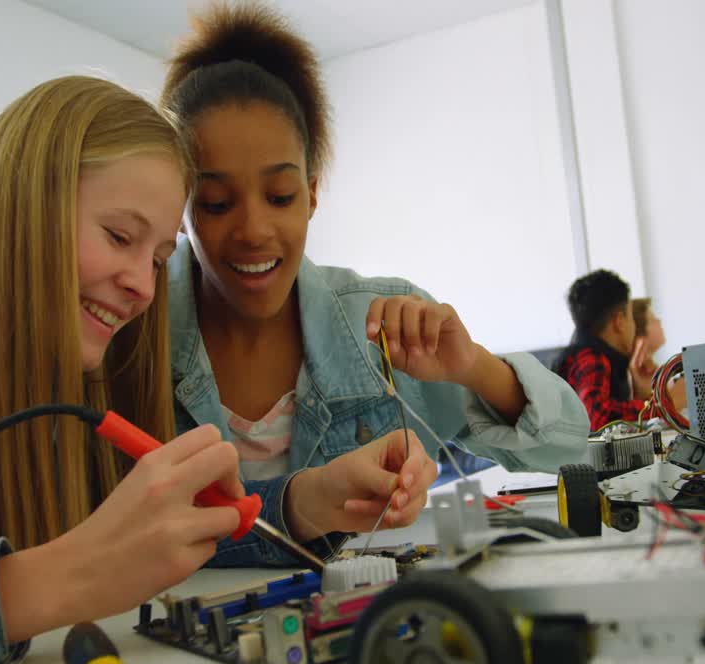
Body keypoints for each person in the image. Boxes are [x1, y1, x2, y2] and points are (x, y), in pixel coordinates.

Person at [0, 76, 435, 664]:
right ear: (21, 204)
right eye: (119, 236)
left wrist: (304, 501)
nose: (144, 288)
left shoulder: (66, 368)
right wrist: (47, 584)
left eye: (158, 259)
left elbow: (148, 540)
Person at [159, 2, 590, 557]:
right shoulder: (136, 335)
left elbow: (570, 447)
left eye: (280, 197)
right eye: (217, 204)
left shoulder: (385, 325)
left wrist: (477, 368)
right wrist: (301, 505)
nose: (253, 230)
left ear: (312, 193)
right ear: (181, 206)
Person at [553, 270, 655, 430]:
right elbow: (596, 417)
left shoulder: (587, 356)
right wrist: (661, 407)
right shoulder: (591, 359)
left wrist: (641, 395)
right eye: (631, 318)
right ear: (619, 321)